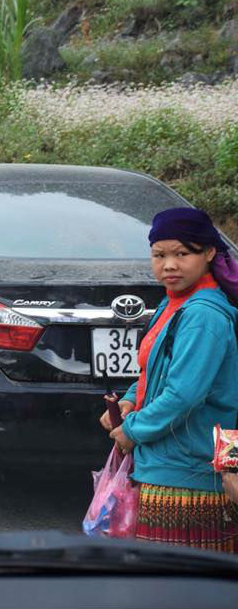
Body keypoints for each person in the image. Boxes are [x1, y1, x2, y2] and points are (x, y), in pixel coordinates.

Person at [101, 207, 238, 553]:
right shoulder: (173, 304)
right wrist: (131, 399)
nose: (169, 265)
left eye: (182, 253)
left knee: (181, 588)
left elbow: (183, 395)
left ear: (208, 253)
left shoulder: (203, 316)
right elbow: (155, 370)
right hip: (169, 462)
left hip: (189, 472)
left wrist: (131, 431)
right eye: (159, 255)